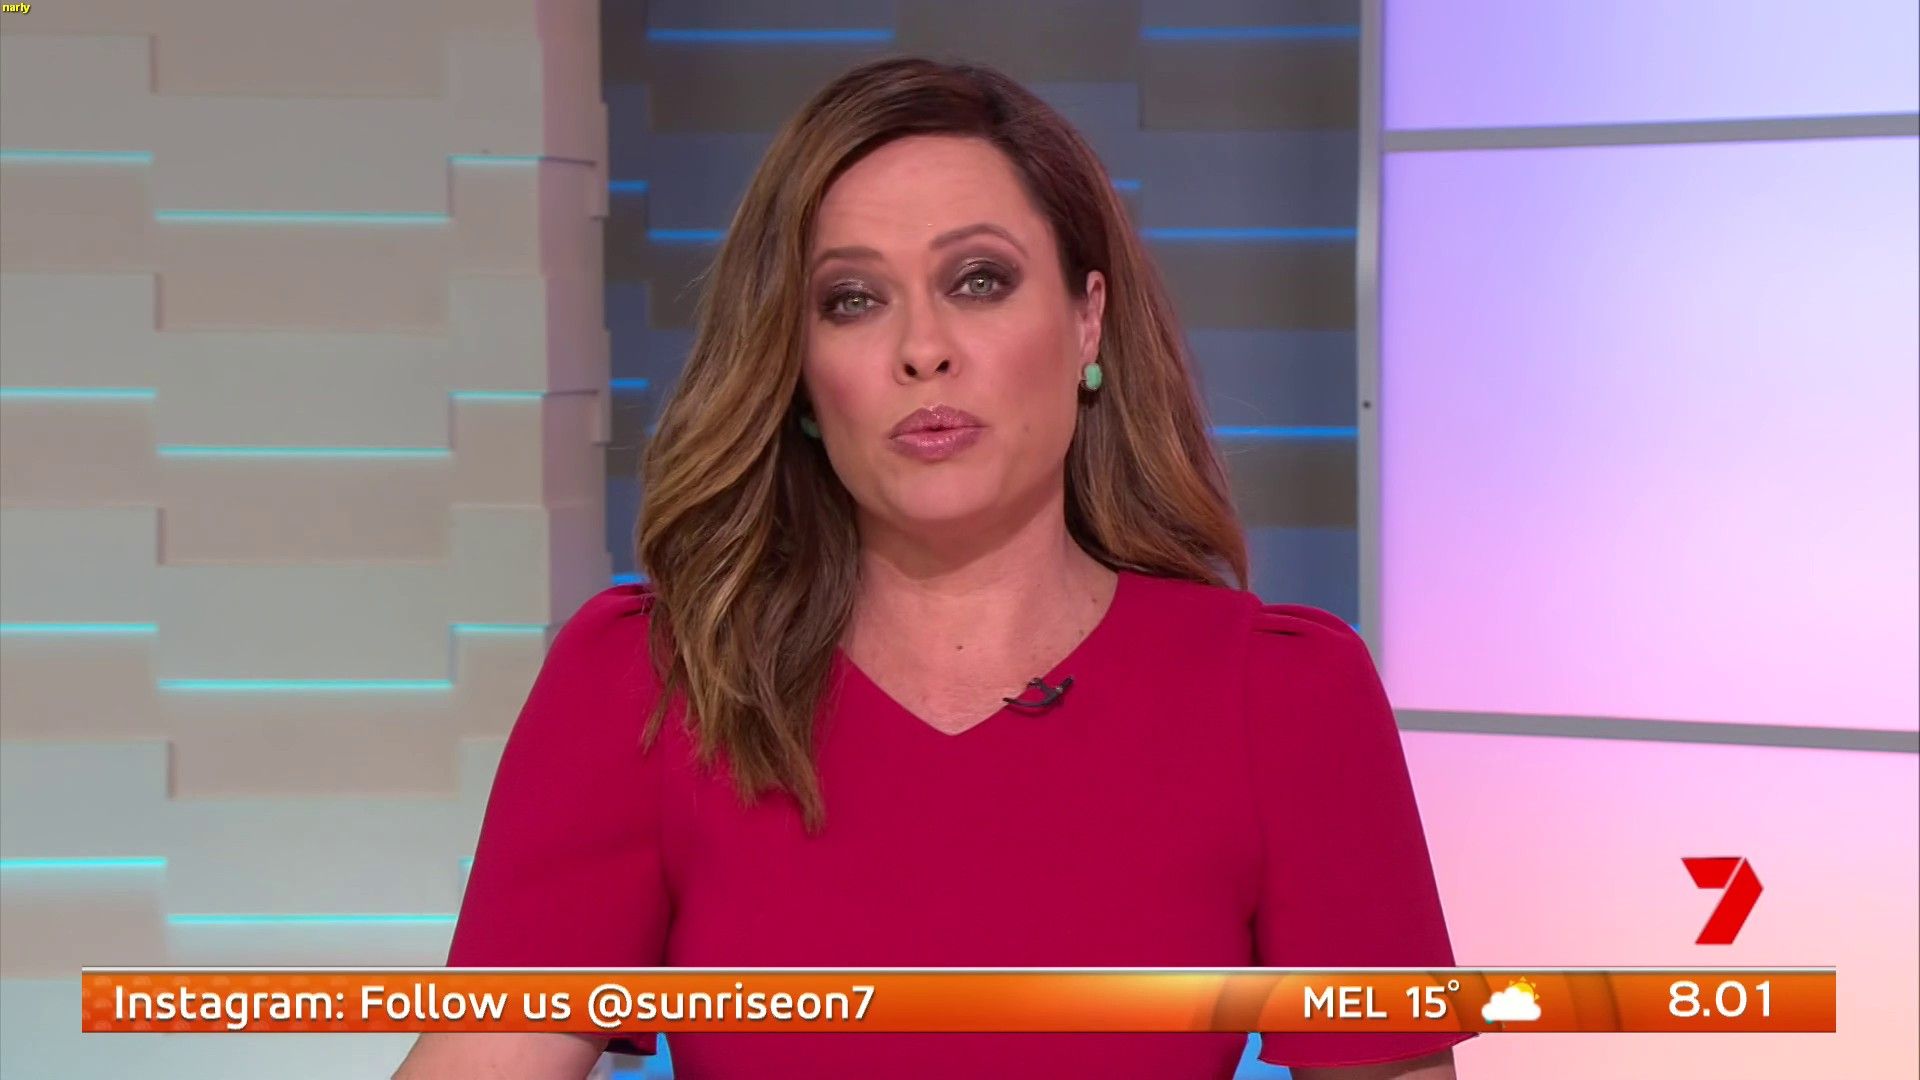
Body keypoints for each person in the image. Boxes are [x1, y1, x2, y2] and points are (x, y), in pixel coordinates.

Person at [396, 56, 1469, 1080]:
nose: (923, 348)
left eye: (979, 280)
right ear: (798, 370)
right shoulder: (653, 688)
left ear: (1087, 319)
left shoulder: (1281, 701)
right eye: (852, 300)